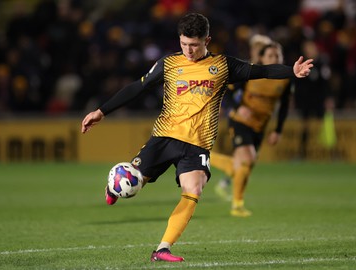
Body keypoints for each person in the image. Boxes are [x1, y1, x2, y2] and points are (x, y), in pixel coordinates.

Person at [81, 13, 313, 263]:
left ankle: (162, 249)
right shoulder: (169, 64)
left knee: (194, 189)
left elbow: (261, 71)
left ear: (207, 40)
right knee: (134, 182)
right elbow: (138, 87)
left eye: (194, 45)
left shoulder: (223, 66)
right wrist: (101, 111)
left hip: (198, 145)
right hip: (164, 137)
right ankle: (113, 188)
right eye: (183, 44)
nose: (188, 50)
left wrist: (292, 71)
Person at [211, 42, 293, 217]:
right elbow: (227, 92)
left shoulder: (285, 79)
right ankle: (237, 205)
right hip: (240, 121)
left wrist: (278, 130)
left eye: (277, 56)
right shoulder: (251, 73)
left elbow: (284, 106)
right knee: (248, 158)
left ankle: (203, 156)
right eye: (270, 56)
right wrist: (235, 108)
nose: (274, 59)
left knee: (243, 166)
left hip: (260, 126)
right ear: (262, 58)